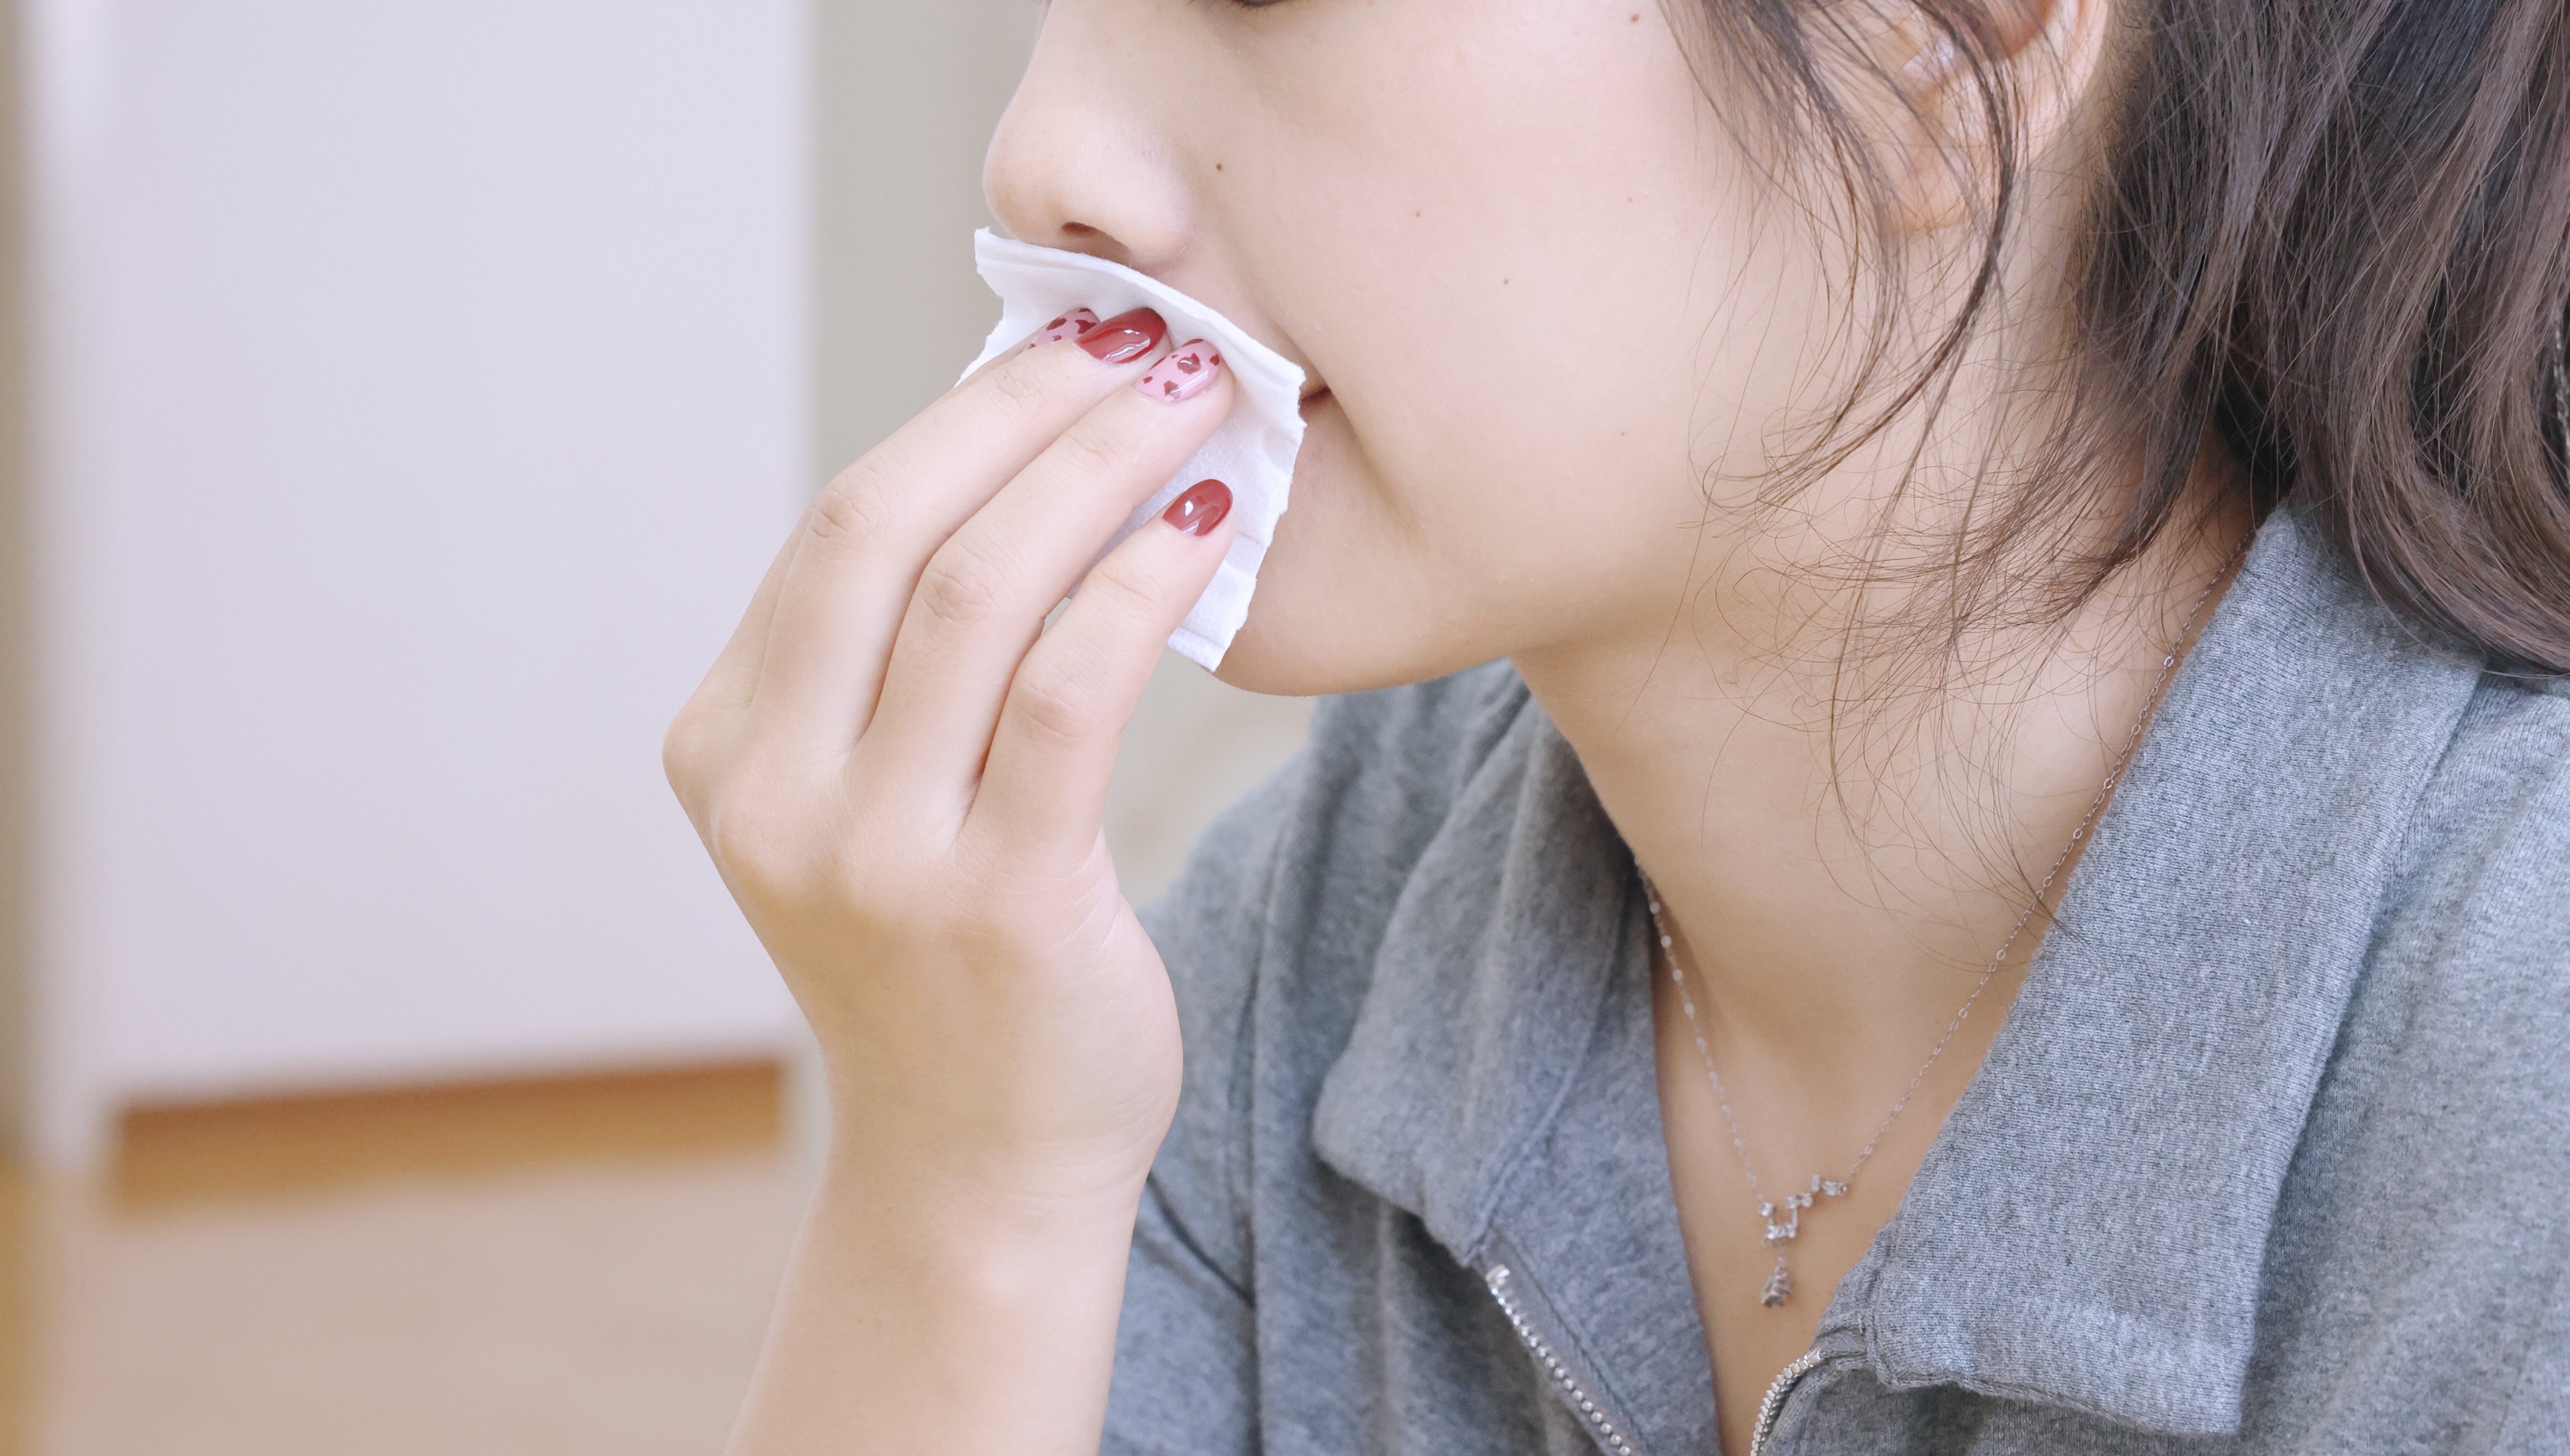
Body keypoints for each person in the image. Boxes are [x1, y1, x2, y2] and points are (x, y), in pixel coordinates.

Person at [662, 1, 2570, 1451]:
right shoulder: (1316, 931)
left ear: (1938, 50)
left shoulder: (2517, 1084)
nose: (1042, 156)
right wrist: (960, 1186)